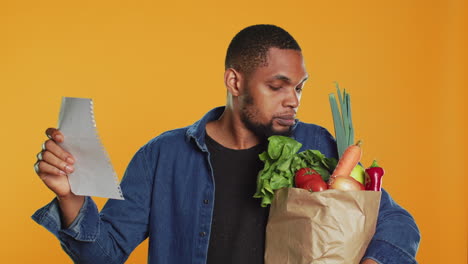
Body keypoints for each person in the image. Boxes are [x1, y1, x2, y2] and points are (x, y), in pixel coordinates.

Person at [32, 24, 420, 264]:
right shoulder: (162, 156)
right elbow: (104, 255)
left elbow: (397, 222)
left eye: (299, 88)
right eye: (277, 86)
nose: (294, 100)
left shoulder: (317, 145)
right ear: (235, 83)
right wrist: (71, 197)